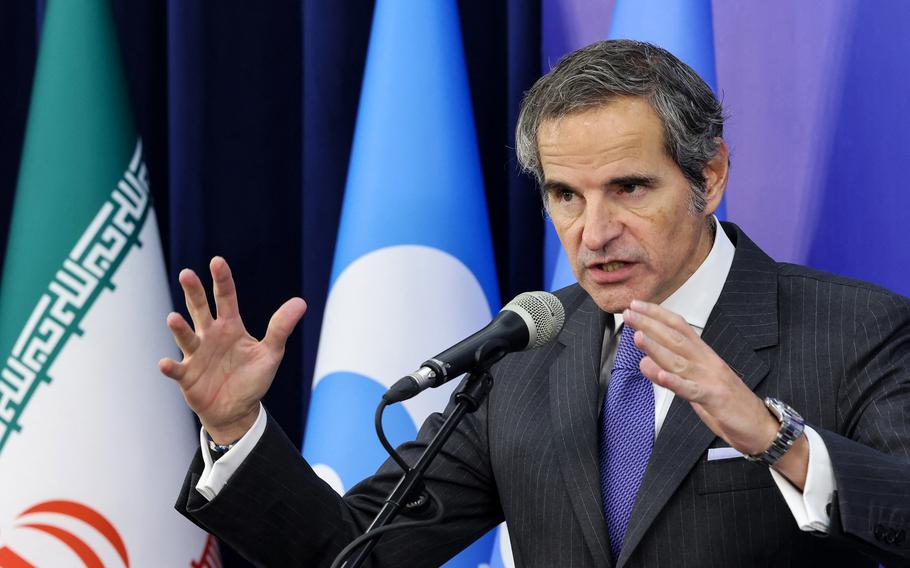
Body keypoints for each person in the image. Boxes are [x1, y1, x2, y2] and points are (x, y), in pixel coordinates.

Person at [161, 40, 910, 567]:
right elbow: (352, 552)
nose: (594, 231)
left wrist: (777, 440)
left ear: (708, 178)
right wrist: (235, 430)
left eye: (629, 188)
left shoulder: (855, 330)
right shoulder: (525, 354)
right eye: (565, 195)